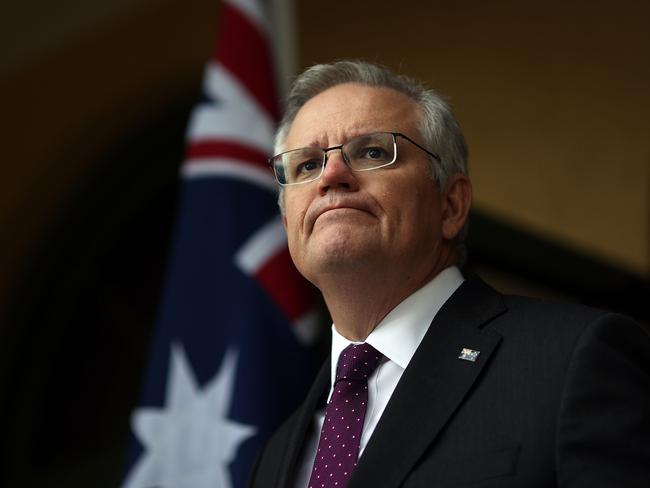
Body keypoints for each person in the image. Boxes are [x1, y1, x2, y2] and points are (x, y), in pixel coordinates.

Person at [247, 60, 650, 488]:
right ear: (289, 225)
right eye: (307, 165)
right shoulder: (276, 454)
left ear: (451, 206)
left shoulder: (572, 360)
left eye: (373, 152)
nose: (331, 175)